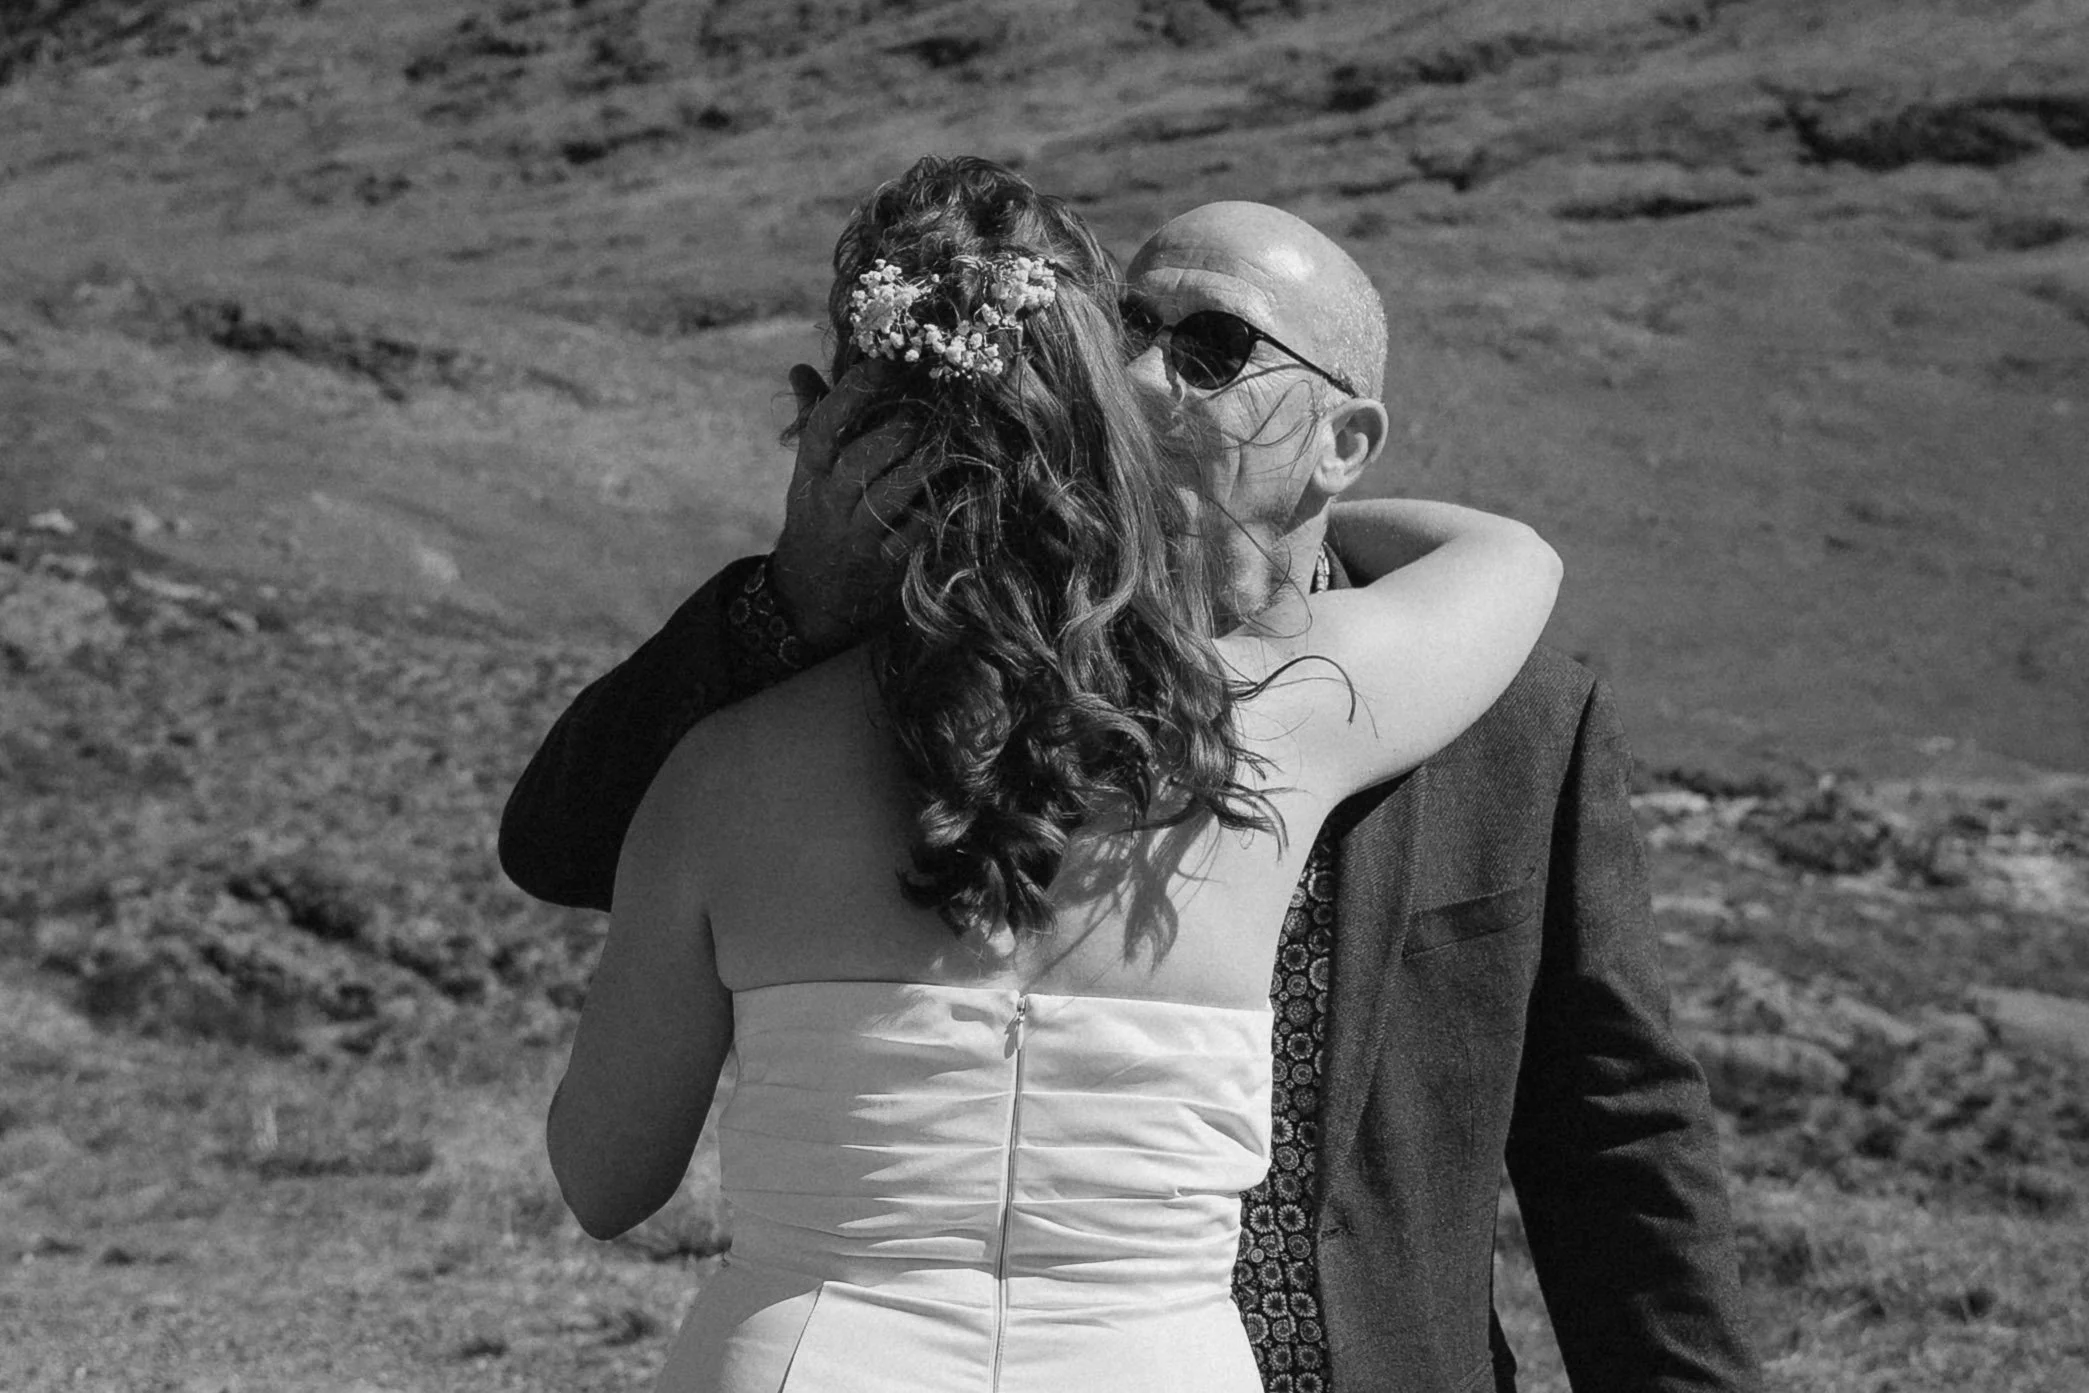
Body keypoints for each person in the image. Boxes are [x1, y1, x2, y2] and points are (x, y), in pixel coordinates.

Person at [507, 169, 1760, 1392]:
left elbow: (1614, 1126)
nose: (1151, 375)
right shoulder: (1292, 718)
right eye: (1127, 334)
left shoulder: (1511, 710)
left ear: (1344, 442)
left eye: (1213, 347)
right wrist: (795, 600)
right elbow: (558, 844)